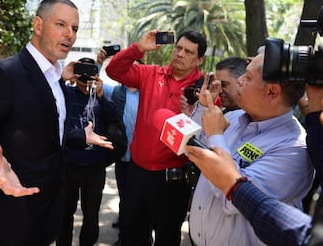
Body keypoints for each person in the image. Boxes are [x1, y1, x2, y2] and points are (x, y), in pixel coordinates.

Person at [0, 0, 113, 246]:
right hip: (13, 218)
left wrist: (79, 135)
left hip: (48, 216)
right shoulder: (3, 75)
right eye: (60, 24)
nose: (69, 35)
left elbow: (48, 131)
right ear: (38, 26)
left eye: (74, 28)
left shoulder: (57, 79)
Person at [188, 53, 315, 246]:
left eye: (247, 78)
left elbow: (232, 198)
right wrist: (204, 108)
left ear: (272, 92)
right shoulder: (237, 116)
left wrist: (216, 135)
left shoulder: (293, 149)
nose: (238, 80)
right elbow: (196, 143)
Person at [106, 30, 207, 246]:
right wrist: (139, 48)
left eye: (188, 52)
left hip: (173, 180)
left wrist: (197, 110)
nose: (180, 54)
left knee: (167, 237)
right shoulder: (151, 74)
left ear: (200, 59)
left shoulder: (204, 89)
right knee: (131, 235)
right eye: (178, 48)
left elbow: (209, 133)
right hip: (137, 174)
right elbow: (114, 70)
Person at [57, 57, 119, 246]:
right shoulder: (65, 92)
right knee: (64, 214)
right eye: (81, 74)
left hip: (94, 166)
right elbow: (46, 100)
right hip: (69, 164)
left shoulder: (101, 97)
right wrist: (62, 79)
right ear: (75, 77)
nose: (86, 80)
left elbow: (114, 119)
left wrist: (100, 94)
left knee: (91, 215)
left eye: (90, 74)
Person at [98, 48, 142, 246]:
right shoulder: (115, 90)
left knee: (140, 202)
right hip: (122, 157)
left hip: (142, 159)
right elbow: (93, 83)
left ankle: (143, 237)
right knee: (125, 197)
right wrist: (99, 64)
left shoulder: (148, 93)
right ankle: (124, 237)